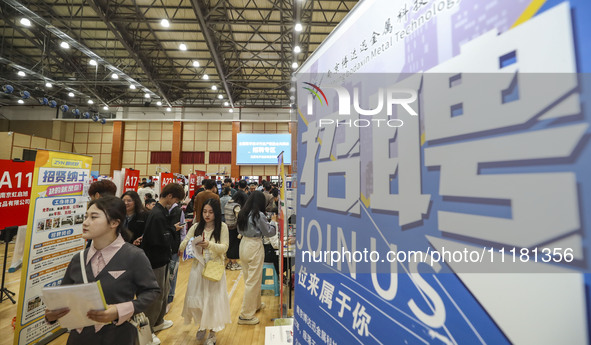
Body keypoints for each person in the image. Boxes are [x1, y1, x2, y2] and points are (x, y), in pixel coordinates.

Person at [44, 196, 160, 344]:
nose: (85, 223)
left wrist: (119, 311)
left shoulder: (134, 256)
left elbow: (152, 292)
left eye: (93, 217)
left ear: (114, 222)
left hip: (118, 336)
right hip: (80, 338)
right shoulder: (78, 259)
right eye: (85, 217)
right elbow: (63, 297)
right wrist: (51, 315)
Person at [136, 183, 184, 344]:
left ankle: (158, 322)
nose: (175, 202)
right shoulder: (156, 214)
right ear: (170, 196)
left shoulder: (161, 212)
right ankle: (147, 331)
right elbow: (158, 238)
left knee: (163, 293)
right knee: (155, 296)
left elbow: (163, 233)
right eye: (176, 198)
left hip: (162, 258)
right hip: (155, 260)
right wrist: (172, 231)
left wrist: (171, 229)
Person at [178, 198, 231, 345]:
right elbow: (182, 245)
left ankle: (212, 332)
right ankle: (202, 324)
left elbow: (224, 247)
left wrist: (209, 245)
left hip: (214, 269)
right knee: (198, 300)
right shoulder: (196, 226)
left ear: (216, 213)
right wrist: (190, 243)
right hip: (198, 268)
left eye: (211, 212)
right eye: (205, 212)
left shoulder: (223, 227)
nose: (207, 215)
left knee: (213, 301)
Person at [236, 191, 277, 325]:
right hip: (254, 245)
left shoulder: (242, 212)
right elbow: (268, 232)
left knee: (250, 278)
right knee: (253, 281)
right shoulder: (258, 215)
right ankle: (246, 315)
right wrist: (274, 223)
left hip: (243, 245)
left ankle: (256, 304)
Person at [225, 190, 247, 271]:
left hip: (227, 227)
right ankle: (234, 263)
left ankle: (230, 262)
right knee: (235, 245)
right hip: (235, 228)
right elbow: (239, 218)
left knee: (229, 245)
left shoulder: (228, 203)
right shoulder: (236, 206)